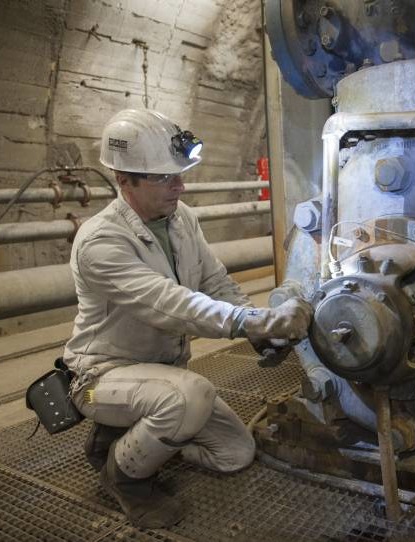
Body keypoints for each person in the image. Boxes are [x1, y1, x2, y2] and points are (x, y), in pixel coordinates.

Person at [63, 109, 312, 528]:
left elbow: (213, 279)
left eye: (178, 174)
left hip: (160, 377)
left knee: (235, 454)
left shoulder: (181, 219)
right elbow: (169, 303)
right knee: (189, 396)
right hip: (96, 384)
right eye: (164, 177)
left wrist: (256, 325)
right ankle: (121, 477)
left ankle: (131, 437)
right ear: (124, 179)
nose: (180, 185)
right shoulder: (100, 242)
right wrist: (247, 321)